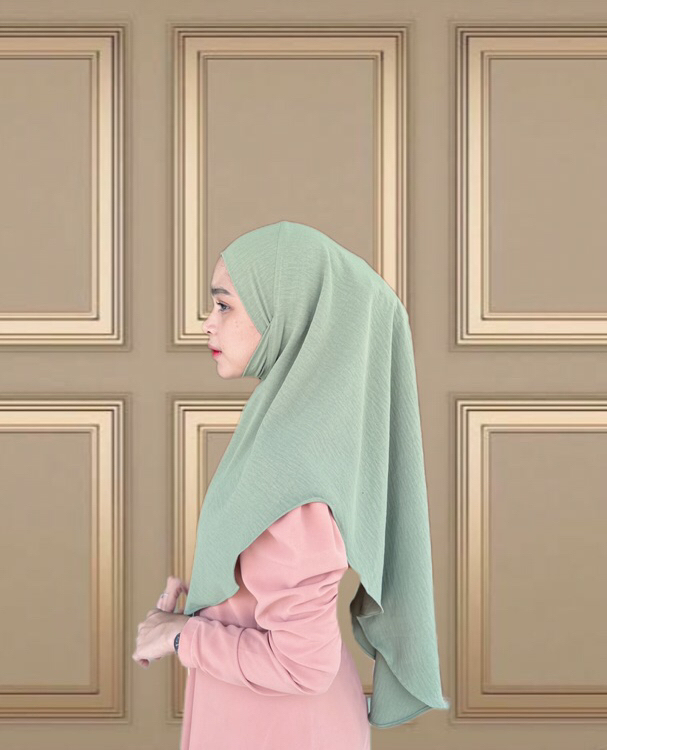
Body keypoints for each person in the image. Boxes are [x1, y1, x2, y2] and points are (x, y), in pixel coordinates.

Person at [134, 221, 449, 748]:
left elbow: (303, 664)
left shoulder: (294, 469)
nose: (207, 324)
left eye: (224, 306)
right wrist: (210, 608)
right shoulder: (293, 434)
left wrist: (182, 636)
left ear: (289, 312)